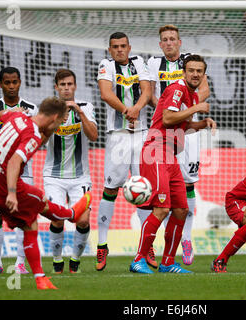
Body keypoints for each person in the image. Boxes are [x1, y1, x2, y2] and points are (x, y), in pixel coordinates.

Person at [0, 96, 92, 290]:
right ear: (55, 118)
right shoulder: (32, 135)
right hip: (4, 188)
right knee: (39, 206)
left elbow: (1, 114)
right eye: (59, 123)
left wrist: (16, 113)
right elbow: (15, 162)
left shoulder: (16, 117)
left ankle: (41, 278)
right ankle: (72, 214)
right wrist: (11, 193)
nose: (58, 127)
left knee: (33, 214)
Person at [130, 54, 216, 274]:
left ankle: (168, 262)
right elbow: (168, 119)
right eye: (191, 70)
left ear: (203, 74)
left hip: (171, 156)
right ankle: (138, 259)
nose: (195, 74)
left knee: (180, 209)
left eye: (199, 71)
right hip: (156, 151)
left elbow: (183, 126)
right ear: (184, 72)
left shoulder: (191, 95)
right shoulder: (177, 89)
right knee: (162, 208)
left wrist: (202, 124)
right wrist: (197, 111)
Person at [146, 24, 210, 266]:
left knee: (187, 186)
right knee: (160, 196)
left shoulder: (192, 68)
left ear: (179, 42)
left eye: (173, 38)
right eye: (165, 39)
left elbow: (204, 91)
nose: (169, 42)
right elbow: (151, 95)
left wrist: (189, 111)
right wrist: (170, 107)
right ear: (161, 43)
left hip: (182, 132)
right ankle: (147, 250)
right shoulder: (154, 64)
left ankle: (185, 239)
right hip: (163, 135)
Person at [96, 32, 151, 271]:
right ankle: (101, 244)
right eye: (115, 47)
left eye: (123, 46)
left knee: (143, 189)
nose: (119, 50)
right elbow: (106, 94)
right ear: (110, 50)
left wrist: (136, 109)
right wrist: (128, 111)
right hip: (117, 135)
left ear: (129, 47)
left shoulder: (140, 62)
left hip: (141, 134)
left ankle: (146, 247)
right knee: (110, 188)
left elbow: (147, 92)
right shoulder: (105, 65)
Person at [0, 67, 37, 275]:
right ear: (1, 84)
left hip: (24, 171)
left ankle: (20, 263)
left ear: (20, 82)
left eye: (15, 82)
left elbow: (35, 137)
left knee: (23, 217)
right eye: (7, 83)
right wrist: (1, 157)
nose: (11, 86)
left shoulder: (31, 108)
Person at [44, 69, 98, 274]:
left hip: (80, 176)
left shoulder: (86, 107)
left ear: (75, 86)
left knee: (83, 220)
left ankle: (75, 260)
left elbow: (93, 136)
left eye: (70, 84)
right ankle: (57, 261)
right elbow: (40, 138)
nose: (67, 88)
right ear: (56, 87)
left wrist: (80, 113)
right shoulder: (47, 109)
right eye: (63, 85)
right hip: (53, 176)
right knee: (57, 218)